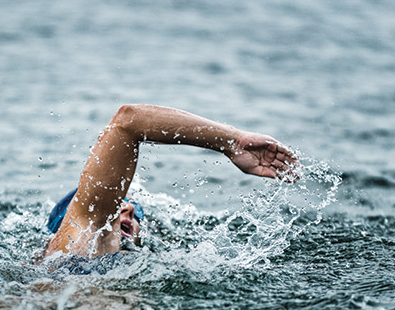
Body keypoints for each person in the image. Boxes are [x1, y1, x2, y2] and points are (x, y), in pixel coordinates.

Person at [44, 104, 298, 260]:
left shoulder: (131, 264)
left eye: (136, 214)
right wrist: (232, 142)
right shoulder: (79, 235)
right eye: (115, 205)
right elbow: (129, 120)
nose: (128, 209)